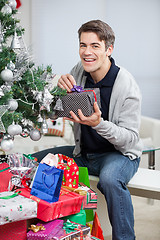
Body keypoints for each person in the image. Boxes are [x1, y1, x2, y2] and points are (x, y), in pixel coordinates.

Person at [33, 20, 143, 240]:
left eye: (94, 46)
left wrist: (98, 124)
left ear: (108, 49)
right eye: (83, 45)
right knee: (36, 162)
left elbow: (131, 140)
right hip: (82, 154)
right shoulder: (79, 71)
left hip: (118, 155)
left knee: (110, 180)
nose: (87, 52)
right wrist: (56, 91)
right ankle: (43, 232)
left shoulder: (127, 86)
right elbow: (57, 113)